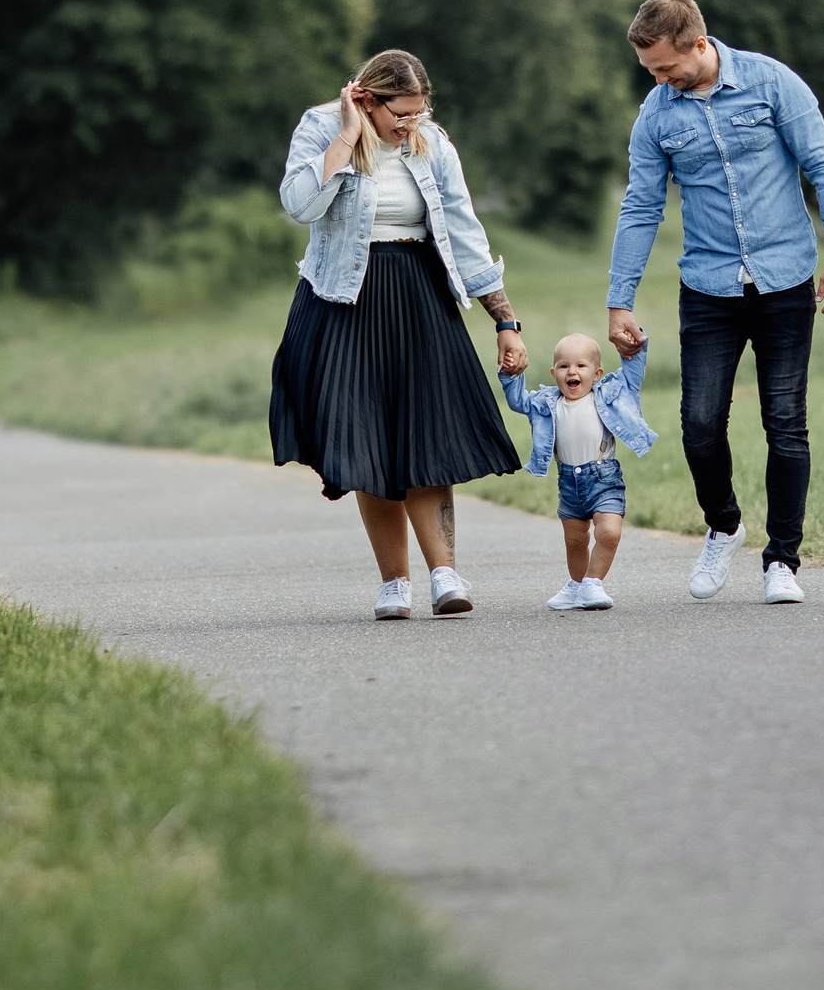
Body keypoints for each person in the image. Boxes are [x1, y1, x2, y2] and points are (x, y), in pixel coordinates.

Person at [605, 0, 824, 606]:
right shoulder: (657, 115)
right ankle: (723, 524)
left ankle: (782, 561)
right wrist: (620, 300)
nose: (660, 80)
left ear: (698, 43)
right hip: (709, 287)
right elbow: (641, 207)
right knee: (698, 425)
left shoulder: (772, 84)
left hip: (785, 279)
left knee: (785, 422)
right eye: (650, 72)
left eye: (666, 68)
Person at [272, 49, 529, 619]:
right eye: (400, 114)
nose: (409, 124)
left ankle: (446, 575)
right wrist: (345, 136)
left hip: (418, 295)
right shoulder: (320, 128)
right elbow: (299, 206)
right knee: (367, 443)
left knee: (427, 434)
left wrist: (504, 320)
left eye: (418, 112)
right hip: (344, 297)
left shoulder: (431, 143)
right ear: (366, 97)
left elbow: (464, 229)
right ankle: (394, 584)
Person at [503, 331, 656, 612]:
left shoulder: (607, 395)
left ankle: (593, 582)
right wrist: (512, 375)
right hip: (568, 482)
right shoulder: (547, 404)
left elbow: (632, 378)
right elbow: (518, 402)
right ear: (554, 372)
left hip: (604, 478)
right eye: (563, 366)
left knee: (609, 532)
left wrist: (634, 349)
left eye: (580, 366)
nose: (571, 372)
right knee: (575, 541)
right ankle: (575, 586)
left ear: (597, 373)